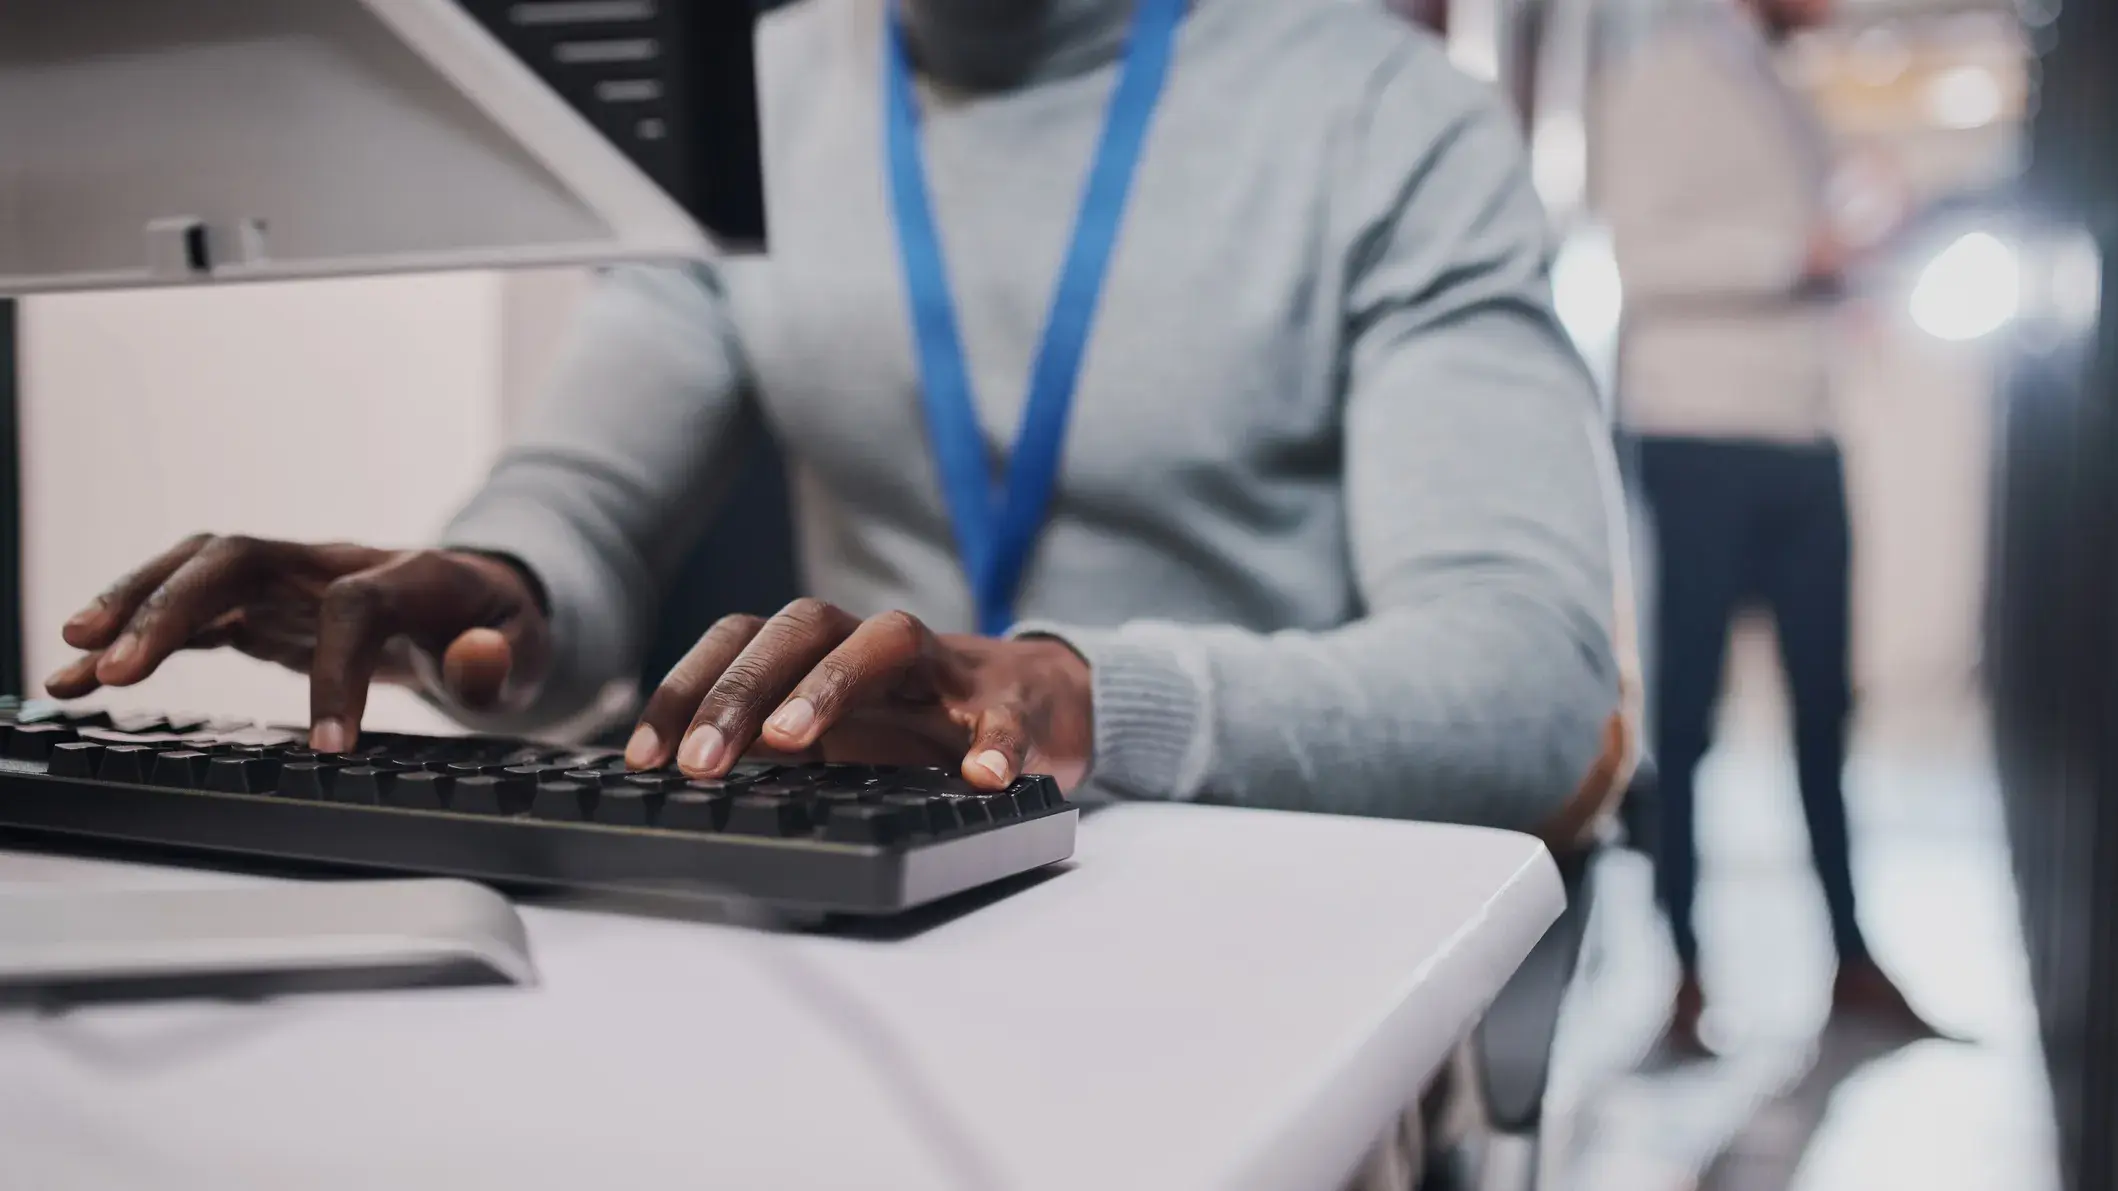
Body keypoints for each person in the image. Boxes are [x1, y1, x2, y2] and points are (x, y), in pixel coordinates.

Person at [46, 0, 1620, 840]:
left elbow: (1524, 676)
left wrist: (1066, 695)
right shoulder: (755, 93)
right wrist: (493, 597)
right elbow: (584, 506)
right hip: (881, 881)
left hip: (1247, 886)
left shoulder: (1382, 117)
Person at [1596, 0, 1940, 1054]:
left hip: (1802, 432)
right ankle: (1683, 974)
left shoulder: (1790, 93)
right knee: (1688, 719)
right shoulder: (1665, 75)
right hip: (1699, 433)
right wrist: (1802, 251)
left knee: (1828, 714)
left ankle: (1850, 956)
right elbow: (1648, 259)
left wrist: (1847, 276)